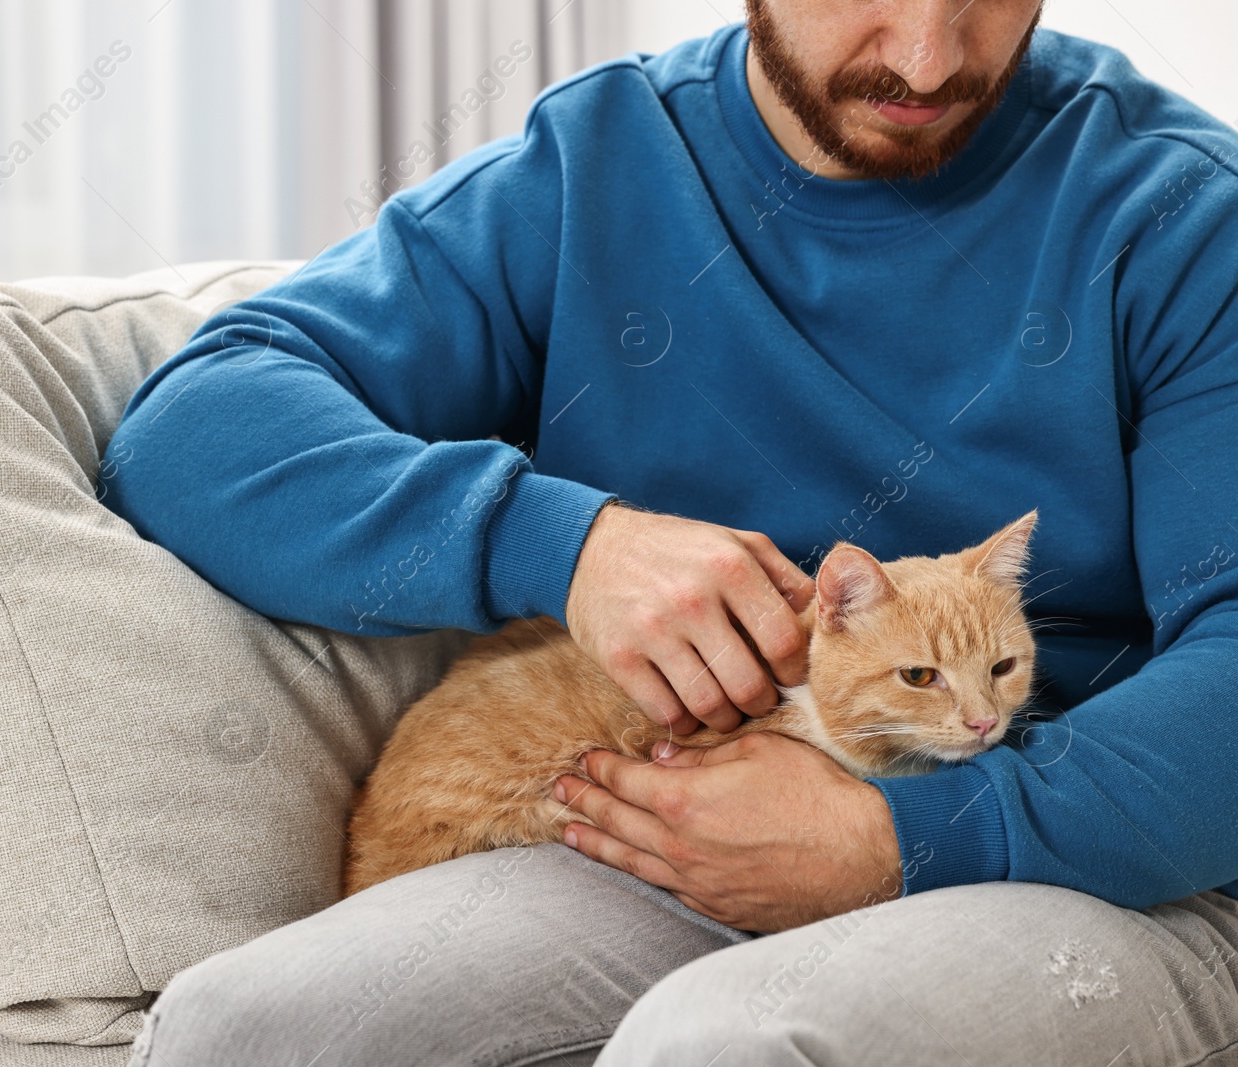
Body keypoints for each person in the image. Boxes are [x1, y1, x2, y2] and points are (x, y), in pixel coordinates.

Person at [105, 1, 1238, 1062]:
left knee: (728, 1044)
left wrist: (901, 833)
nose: (929, 57)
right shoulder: (597, 164)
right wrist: (562, 541)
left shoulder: (1181, 215)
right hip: (674, 822)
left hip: (1102, 854)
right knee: (238, 1024)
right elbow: (194, 429)